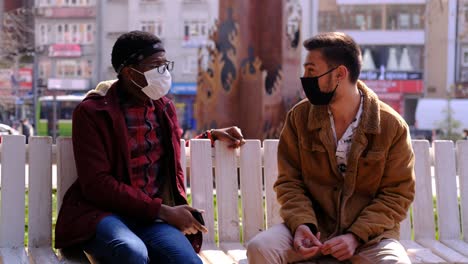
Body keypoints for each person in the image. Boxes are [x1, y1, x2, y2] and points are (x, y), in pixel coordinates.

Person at [54, 31, 245, 264]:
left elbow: (164, 149)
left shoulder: (163, 107)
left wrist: (210, 136)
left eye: (165, 64)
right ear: (129, 72)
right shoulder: (93, 112)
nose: (164, 72)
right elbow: (97, 184)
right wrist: (163, 211)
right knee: (132, 253)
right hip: (104, 215)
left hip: (150, 219)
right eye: (155, 65)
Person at [246, 32, 415, 263]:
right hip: (312, 233)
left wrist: (355, 236)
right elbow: (289, 183)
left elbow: (397, 194)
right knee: (260, 248)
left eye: (311, 71)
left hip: (370, 239)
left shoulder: (391, 126)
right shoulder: (299, 118)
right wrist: (302, 225)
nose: (304, 78)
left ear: (339, 74)